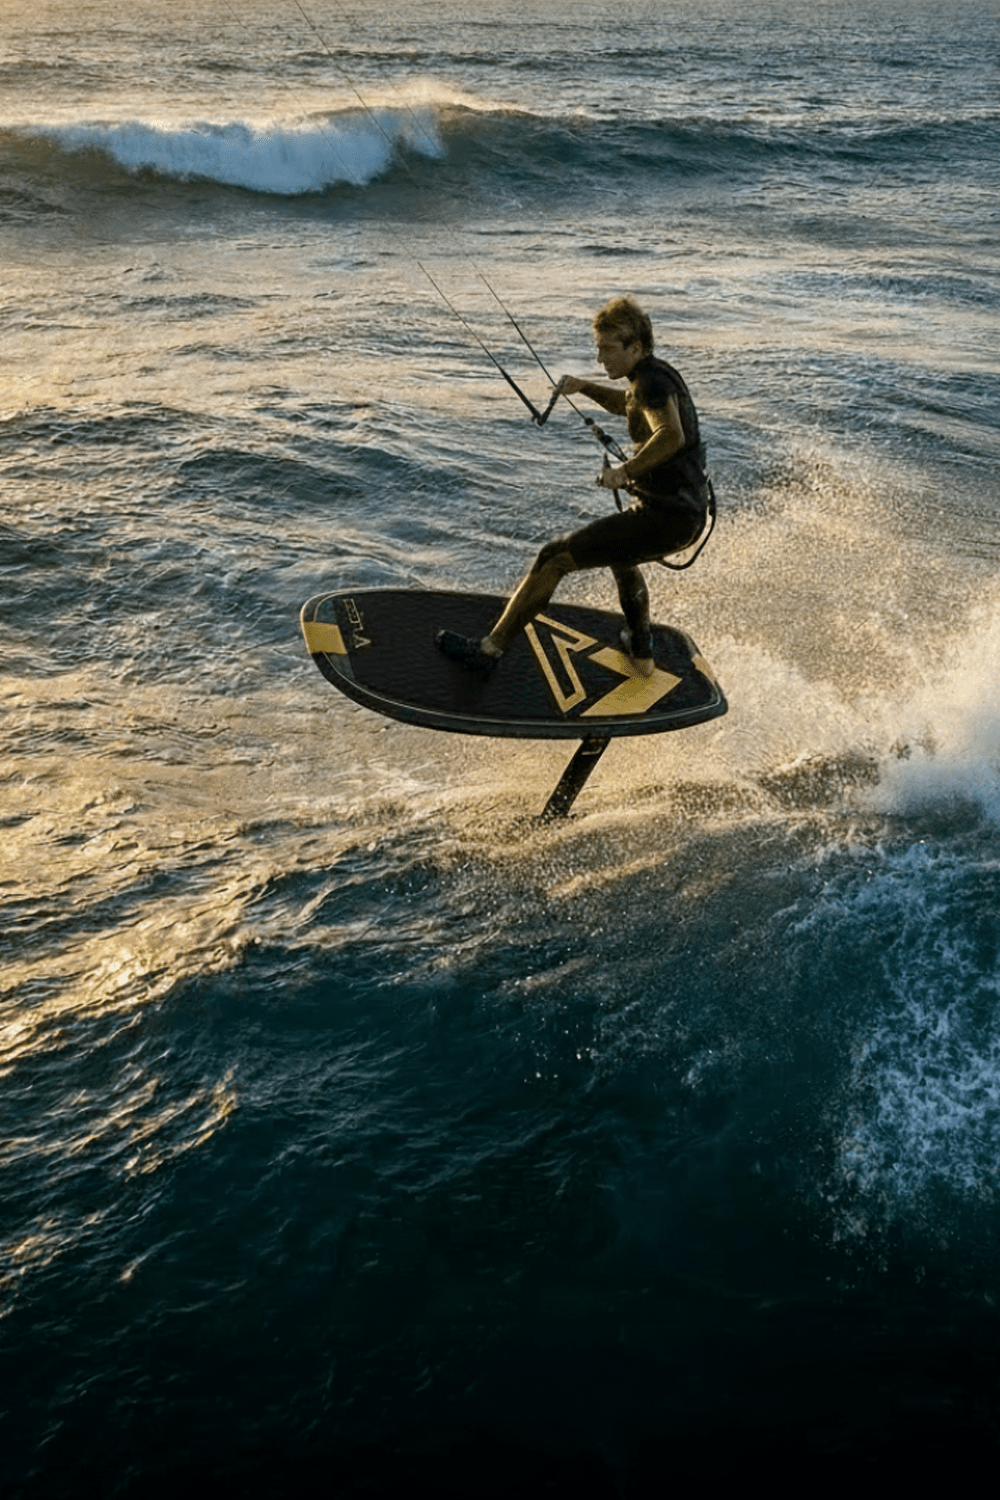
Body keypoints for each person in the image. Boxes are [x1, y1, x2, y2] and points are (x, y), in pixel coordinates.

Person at [436, 295, 711, 678]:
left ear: (636, 347)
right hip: (681, 514)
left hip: (668, 517)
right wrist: (584, 387)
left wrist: (625, 471)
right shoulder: (652, 375)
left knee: (554, 557)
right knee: (621, 552)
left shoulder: (650, 382)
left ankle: (488, 651)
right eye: (598, 349)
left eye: (607, 350)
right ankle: (640, 647)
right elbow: (628, 406)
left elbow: (670, 436)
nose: (601, 359)